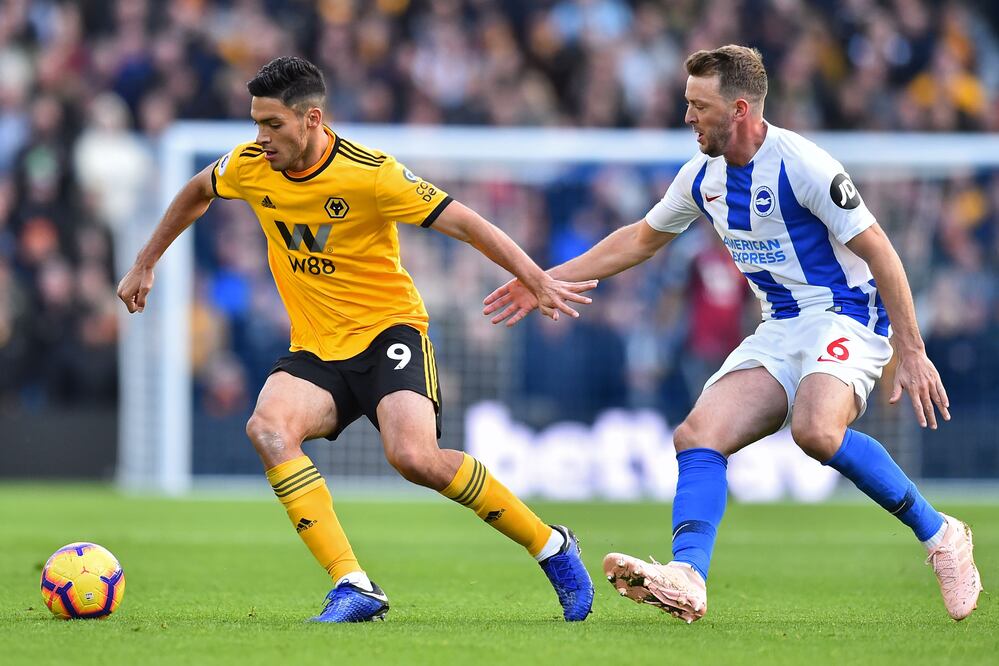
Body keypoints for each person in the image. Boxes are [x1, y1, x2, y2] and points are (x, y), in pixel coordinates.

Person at [484, 45, 982, 623]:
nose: (688, 116)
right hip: (780, 327)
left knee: (816, 431)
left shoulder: (804, 165)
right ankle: (688, 576)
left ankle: (942, 534)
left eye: (699, 105)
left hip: (847, 315)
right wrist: (541, 278)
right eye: (687, 103)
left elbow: (882, 252)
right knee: (696, 436)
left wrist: (912, 350)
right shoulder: (702, 176)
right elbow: (638, 240)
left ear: (739, 109)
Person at [117, 56, 595, 623]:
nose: (260, 138)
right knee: (268, 429)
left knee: (415, 458)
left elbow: (465, 221)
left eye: (272, 125)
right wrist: (146, 262)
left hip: (388, 334)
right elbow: (198, 190)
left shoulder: (372, 174)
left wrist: (532, 275)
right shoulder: (249, 165)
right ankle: (354, 584)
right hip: (316, 348)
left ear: (311, 119)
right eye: (255, 124)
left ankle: (552, 546)